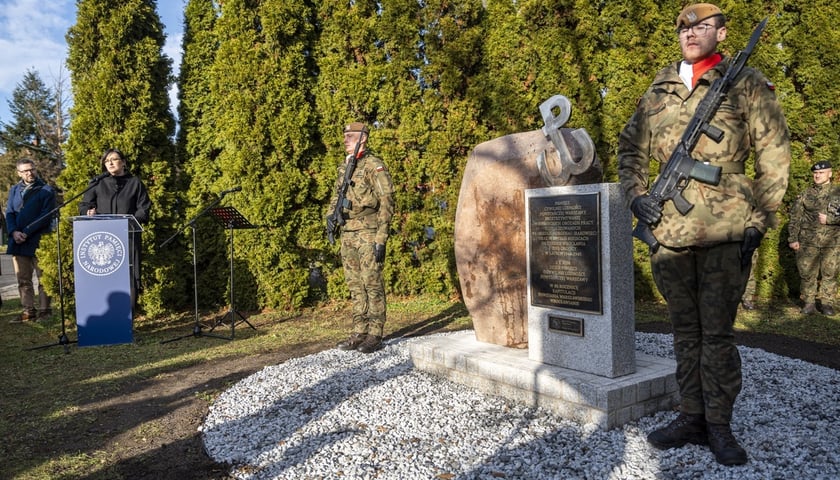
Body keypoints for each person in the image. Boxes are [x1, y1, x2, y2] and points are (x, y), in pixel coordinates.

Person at [617, 3, 791, 466]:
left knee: (717, 335)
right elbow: (630, 147)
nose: (691, 34)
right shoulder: (659, 87)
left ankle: (719, 425)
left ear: (722, 32)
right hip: (669, 231)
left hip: (726, 228)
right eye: (684, 28)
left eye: (703, 26)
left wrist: (761, 218)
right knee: (684, 333)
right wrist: (635, 196)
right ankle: (690, 415)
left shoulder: (746, 83)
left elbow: (774, 154)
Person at [327, 122, 394, 354]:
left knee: (371, 283)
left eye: (350, 136)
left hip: (368, 232)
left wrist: (381, 237)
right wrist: (330, 217)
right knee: (355, 284)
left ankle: (375, 333)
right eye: (344, 135)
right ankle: (359, 331)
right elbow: (336, 195)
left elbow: (386, 201)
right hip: (348, 233)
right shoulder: (344, 167)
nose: (345, 140)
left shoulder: (374, 166)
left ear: (363, 138)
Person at [79, 149, 151, 305]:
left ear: (123, 162)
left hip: (128, 237)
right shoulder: (98, 183)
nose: (110, 163)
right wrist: (88, 211)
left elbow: (143, 209)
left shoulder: (135, 183)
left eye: (114, 159)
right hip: (103, 237)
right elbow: (84, 205)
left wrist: (131, 221)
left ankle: (127, 319)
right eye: (106, 161)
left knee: (129, 277)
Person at [5, 158, 57, 322]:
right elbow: (10, 213)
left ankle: (45, 311)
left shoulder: (46, 190)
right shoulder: (14, 190)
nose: (30, 173)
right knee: (23, 279)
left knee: (43, 278)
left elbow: (46, 215)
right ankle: (28, 311)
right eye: (26, 171)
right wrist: (14, 232)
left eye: (32, 169)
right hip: (18, 241)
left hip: (39, 239)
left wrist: (27, 231)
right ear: (19, 173)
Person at [787, 160, 840, 316]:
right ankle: (809, 302)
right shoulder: (805, 194)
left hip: (833, 242)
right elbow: (795, 217)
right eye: (815, 173)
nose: (817, 175)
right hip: (807, 242)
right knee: (807, 273)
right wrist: (793, 239)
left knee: (830, 273)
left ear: (829, 174)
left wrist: (830, 220)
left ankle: (826, 304)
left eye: (821, 173)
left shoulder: (838, 193)